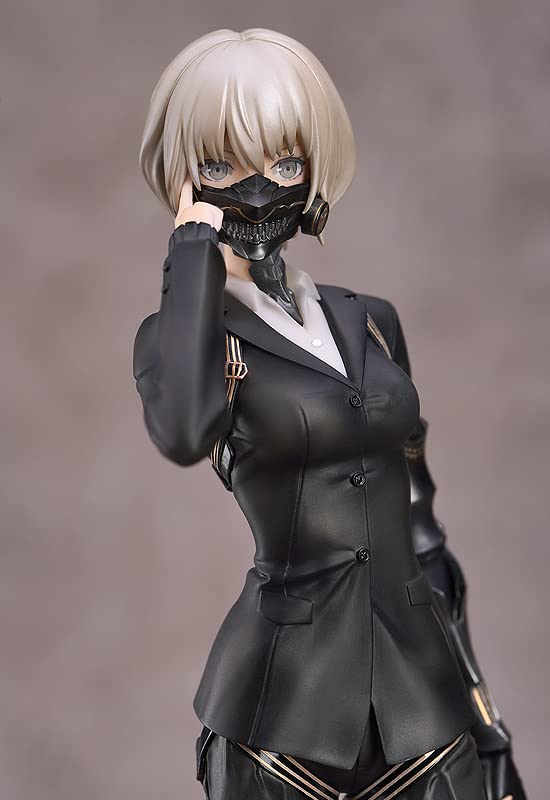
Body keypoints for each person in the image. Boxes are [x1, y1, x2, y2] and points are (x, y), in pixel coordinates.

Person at [133, 28, 526, 800]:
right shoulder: (185, 338)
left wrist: (484, 716)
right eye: (221, 166)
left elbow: (422, 530)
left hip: (425, 704)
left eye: (284, 163)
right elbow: (182, 430)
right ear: (184, 175)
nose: (256, 191)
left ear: (316, 167)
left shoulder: (370, 320)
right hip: (279, 716)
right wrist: (190, 252)